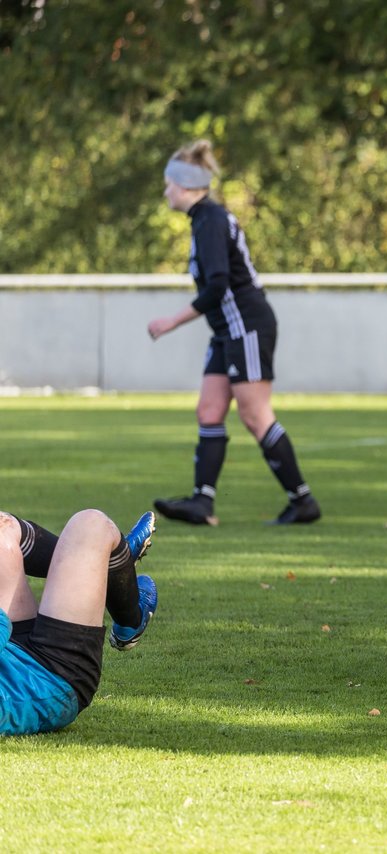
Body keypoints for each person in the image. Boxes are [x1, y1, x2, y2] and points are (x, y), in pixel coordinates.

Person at [147, 139, 321, 526]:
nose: (165, 191)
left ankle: (302, 500)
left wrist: (170, 322)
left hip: (247, 326)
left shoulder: (209, 220)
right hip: (228, 331)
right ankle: (201, 503)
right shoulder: (204, 220)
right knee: (209, 409)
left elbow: (218, 287)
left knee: (255, 415)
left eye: (168, 184)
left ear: (186, 186)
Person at [1, 509, 157, 735]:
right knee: (92, 525)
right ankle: (129, 615)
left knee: (2, 528)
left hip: (9, 647)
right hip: (47, 678)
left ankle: (104, 565)